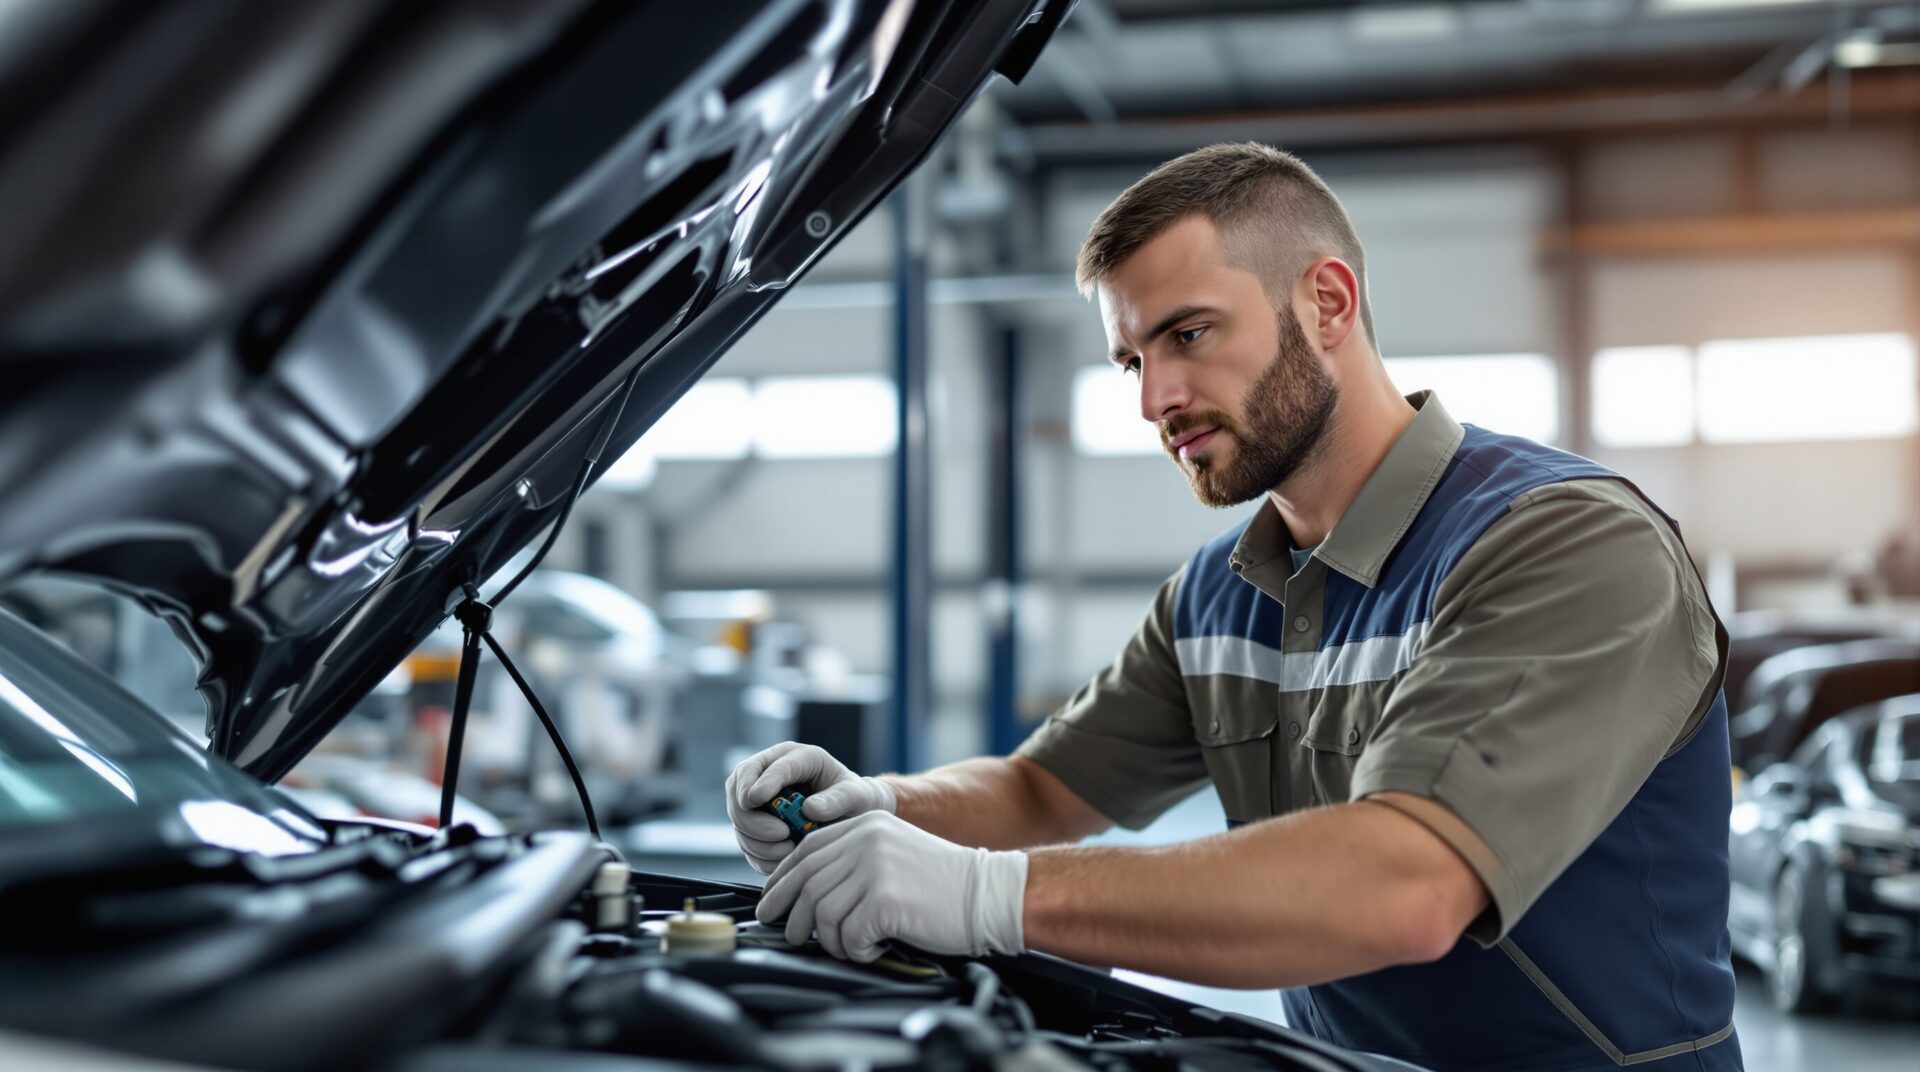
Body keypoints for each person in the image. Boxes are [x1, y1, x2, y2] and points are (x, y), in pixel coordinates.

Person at [726, 142, 1740, 1072]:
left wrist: (988, 896)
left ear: (1328, 304)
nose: (1154, 397)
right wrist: (877, 810)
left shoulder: (1559, 542)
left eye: (1189, 333)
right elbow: (1043, 792)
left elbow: (1407, 882)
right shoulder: (1220, 595)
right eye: (1132, 358)